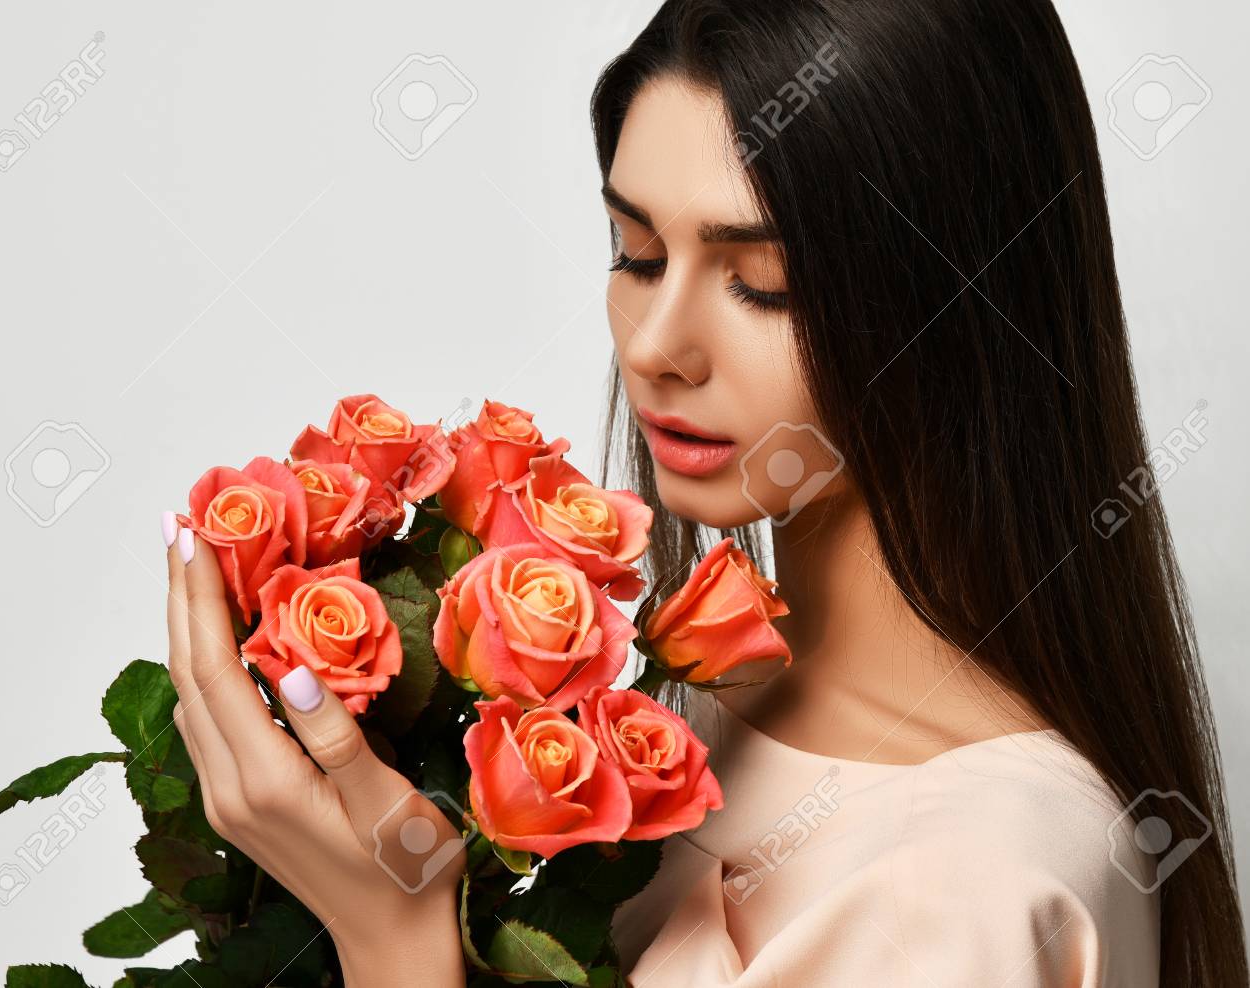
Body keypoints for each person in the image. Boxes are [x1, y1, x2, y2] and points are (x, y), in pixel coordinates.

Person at [162, 1, 1247, 985]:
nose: (659, 345)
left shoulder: (966, 888)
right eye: (635, 254)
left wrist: (394, 943)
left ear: (957, 301)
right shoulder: (689, 714)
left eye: (760, 283)